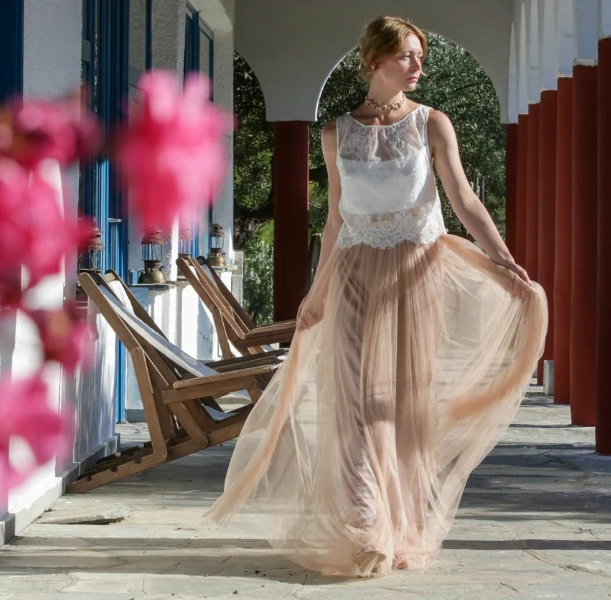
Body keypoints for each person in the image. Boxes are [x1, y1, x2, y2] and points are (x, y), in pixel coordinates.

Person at [206, 15, 548, 577]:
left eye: (420, 56)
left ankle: (402, 522)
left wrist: (499, 257)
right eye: (406, 56)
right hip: (354, 275)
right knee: (353, 405)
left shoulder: (433, 123)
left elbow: (462, 200)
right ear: (375, 61)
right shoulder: (336, 130)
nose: (417, 66)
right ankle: (366, 525)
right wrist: (314, 294)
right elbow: (336, 218)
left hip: (416, 275)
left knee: (403, 406)